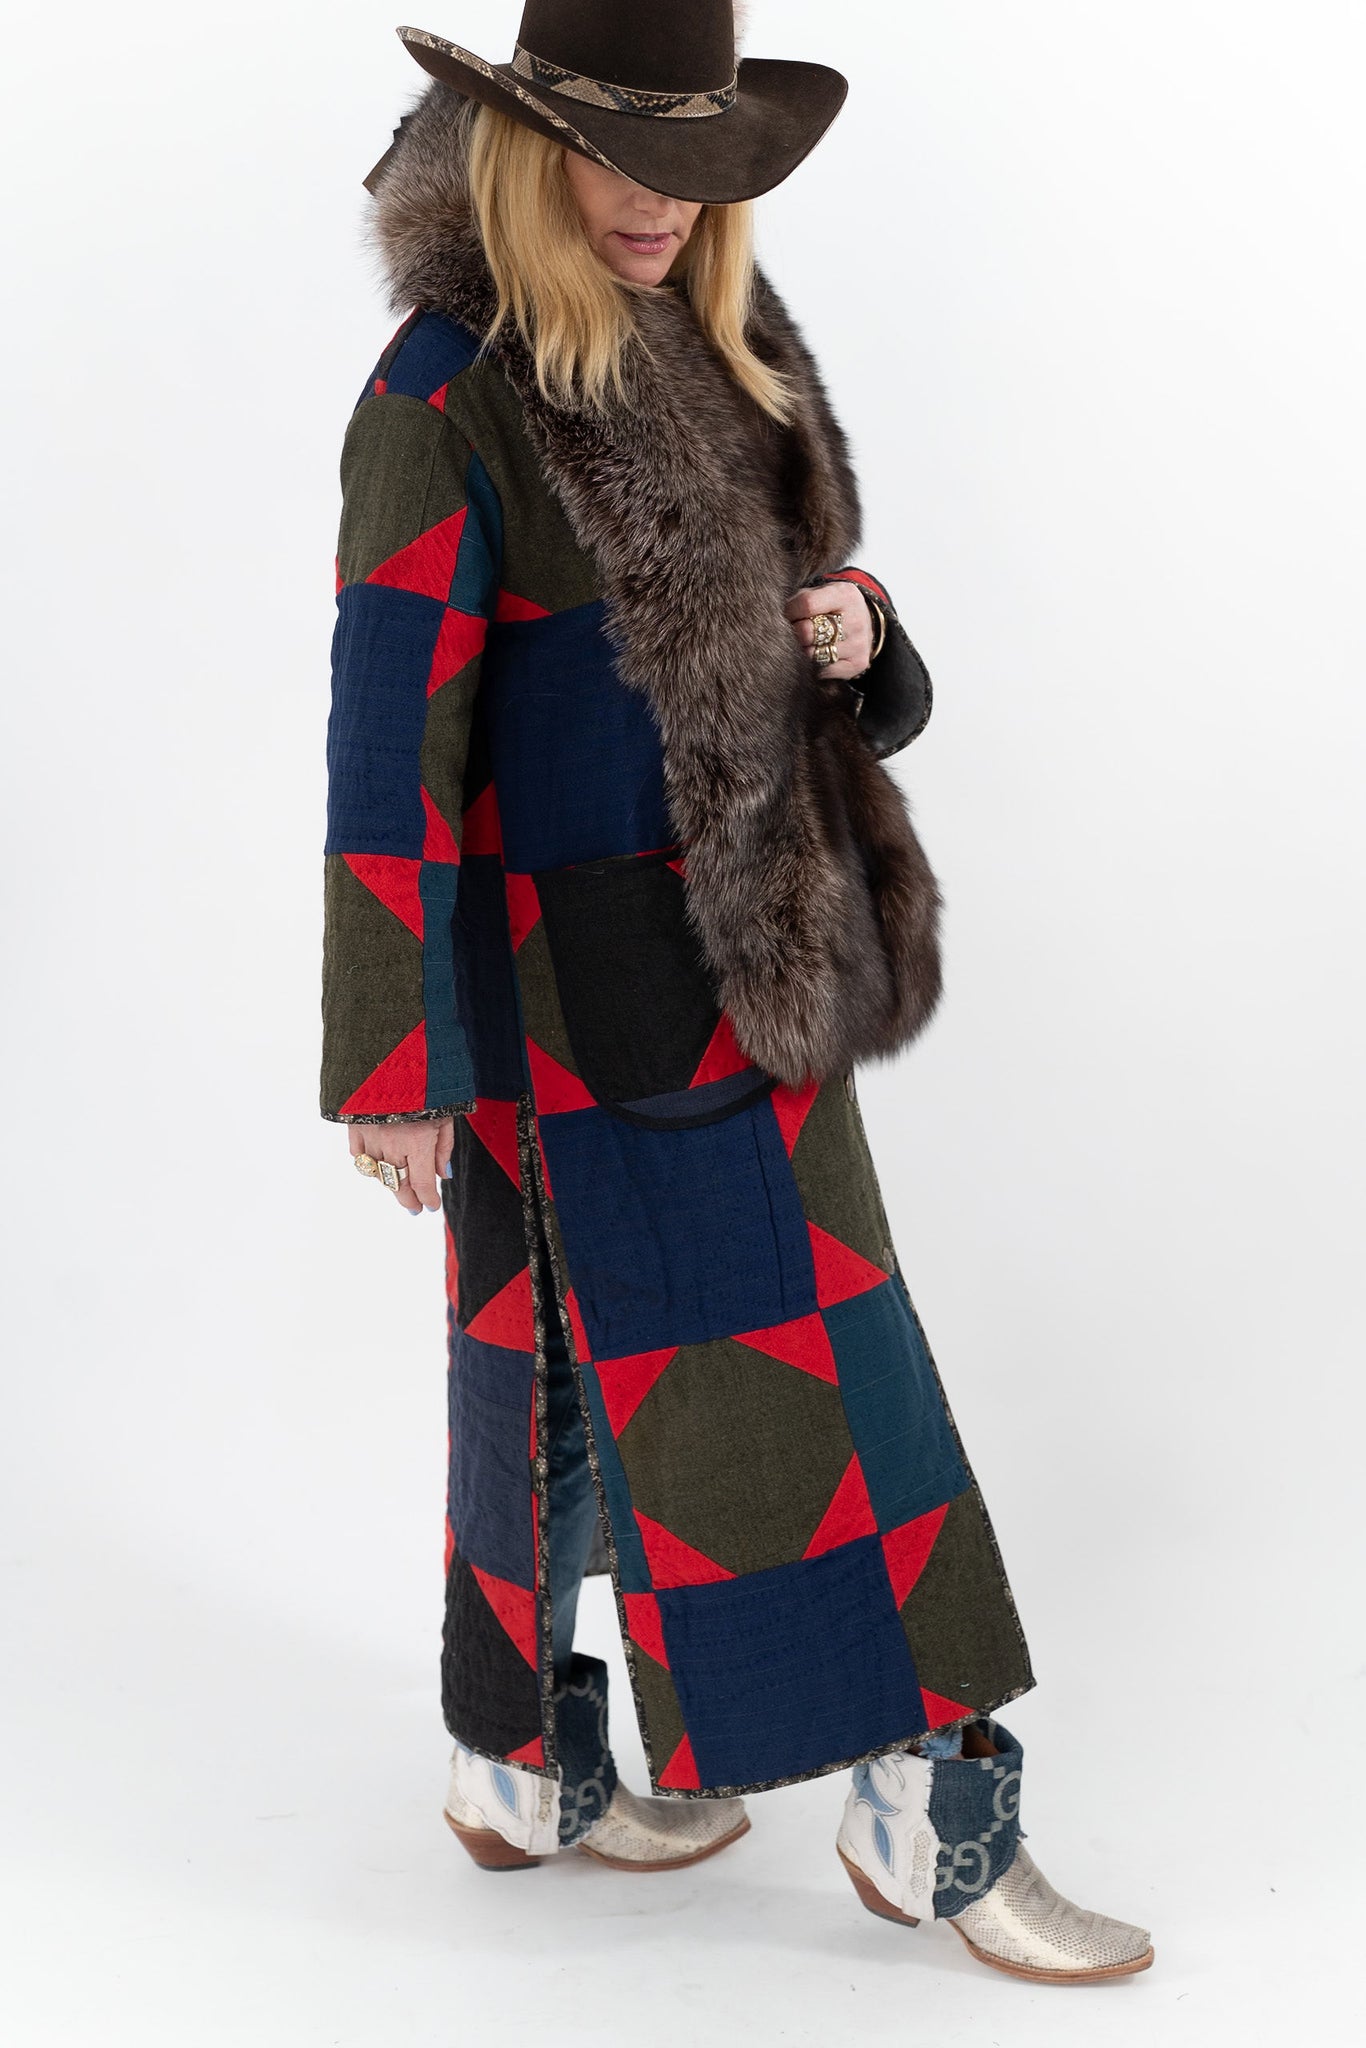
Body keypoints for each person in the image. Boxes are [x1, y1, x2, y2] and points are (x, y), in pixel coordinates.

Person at [321, 2, 1153, 1984]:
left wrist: (856, 632)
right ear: (520, 150)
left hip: (743, 960)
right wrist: (392, 1061)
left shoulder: (720, 337)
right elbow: (383, 755)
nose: (663, 207)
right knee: (809, 1397)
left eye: (696, 171)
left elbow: (768, 645)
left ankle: (520, 1771)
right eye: (621, 161)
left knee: (555, 1367)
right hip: (577, 1012)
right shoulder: (442, 395)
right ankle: (929, 1813)